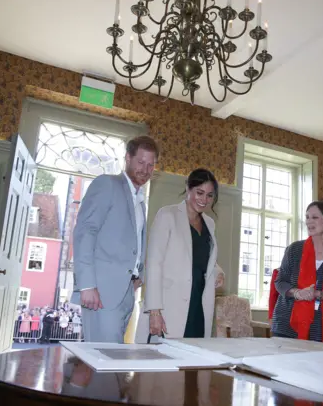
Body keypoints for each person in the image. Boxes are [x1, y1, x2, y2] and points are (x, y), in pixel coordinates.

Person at [72, 135, 159, 343]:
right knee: (103, 361)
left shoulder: (139, 200)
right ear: (127, 158)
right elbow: (85, 232)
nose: (145, 170)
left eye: (151, 165)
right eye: (140, 162)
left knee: (112, 363)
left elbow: (133, 242)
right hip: (100, 293)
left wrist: (139, 274)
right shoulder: (107, 184)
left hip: (127, 292)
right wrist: (86, 285)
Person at [136, 169, 225, 343]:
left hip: (199, 305)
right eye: (199, 192)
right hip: (169, 306)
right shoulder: (167, 215)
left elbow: (203, 259)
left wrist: (218, 271)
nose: (204, 200)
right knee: (161, 366)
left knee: (193, 365)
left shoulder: (210, 223)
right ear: (188, 188)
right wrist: (154, 311)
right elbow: (154, 264)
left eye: (209, 195)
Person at [272, 201, 323, 343]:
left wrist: (318, 294)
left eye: (315, 217)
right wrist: (298, 293)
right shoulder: (294, 249)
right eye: (307, 217)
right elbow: (280, 282)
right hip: (287, 326)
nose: (309, 222)